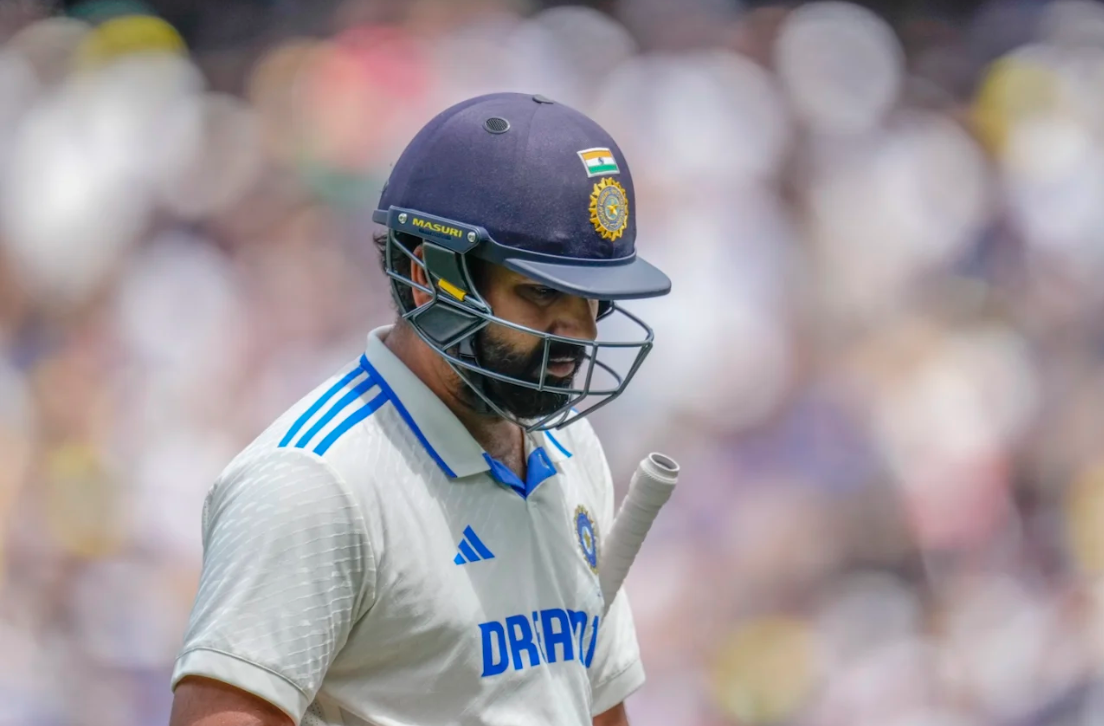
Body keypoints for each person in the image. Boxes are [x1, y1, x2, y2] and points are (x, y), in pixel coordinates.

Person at [168, 92, 672, 726]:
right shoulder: (314, 483)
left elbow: (595, 707)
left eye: (593, 300)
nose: (581, 332)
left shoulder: (572, 453)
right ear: (426, 272)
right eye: (543, 291)